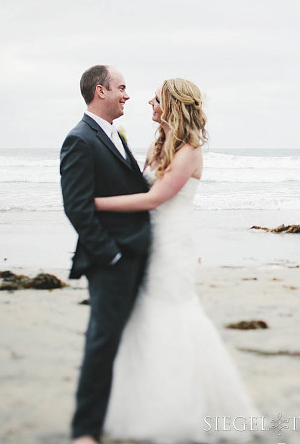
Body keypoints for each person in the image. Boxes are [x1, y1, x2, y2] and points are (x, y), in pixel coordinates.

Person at [96, 78, 260, 443]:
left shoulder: (189, 149)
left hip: (171, 244)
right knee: (146, 315)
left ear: (172, 104)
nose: (149, 103)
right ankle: (147, 401)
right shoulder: (161, 144)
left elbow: (156, 199)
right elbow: (139, 190)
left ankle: (180, 409)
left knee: (173, 313)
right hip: (147, 242)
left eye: (156, 99)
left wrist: (95, 204)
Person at [60, 65, 152, 444]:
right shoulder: (80, 140)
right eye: (122, 88)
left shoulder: (113, 134)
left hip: (136, 255)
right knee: (102, 341)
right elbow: (77, 207)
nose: (127, 94)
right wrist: (110, 256)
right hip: (112, 260)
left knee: (130, 339)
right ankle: (85, 430)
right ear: (101, 91)